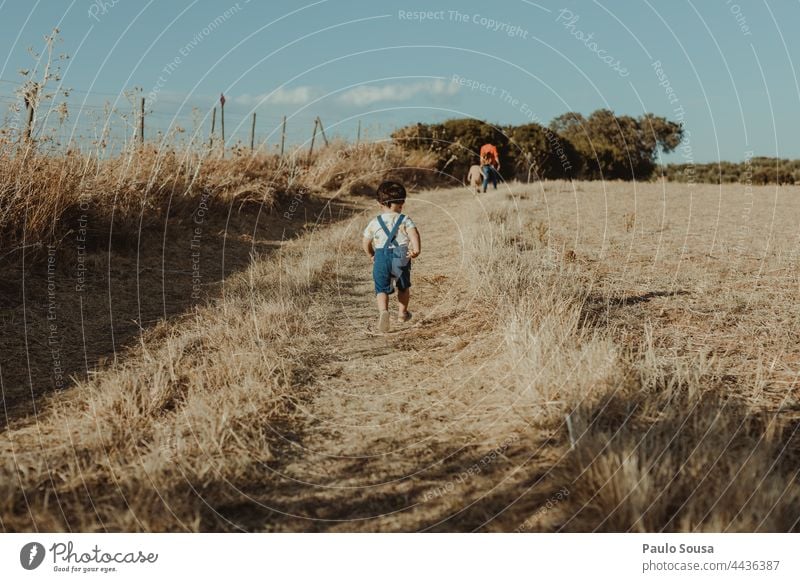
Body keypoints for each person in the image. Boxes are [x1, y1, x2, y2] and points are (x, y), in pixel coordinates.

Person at [362, 181, 422, 332]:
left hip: (381, 256)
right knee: (403, 287)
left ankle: (384, 312)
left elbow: (365, 242)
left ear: (379, 203)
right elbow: (414, 233)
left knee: (381, 288)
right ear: (401, 202)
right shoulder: (405, 219)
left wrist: (371, 254)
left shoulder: (375, 222)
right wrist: (416, 250)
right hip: (401, 255)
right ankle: (402, 313)